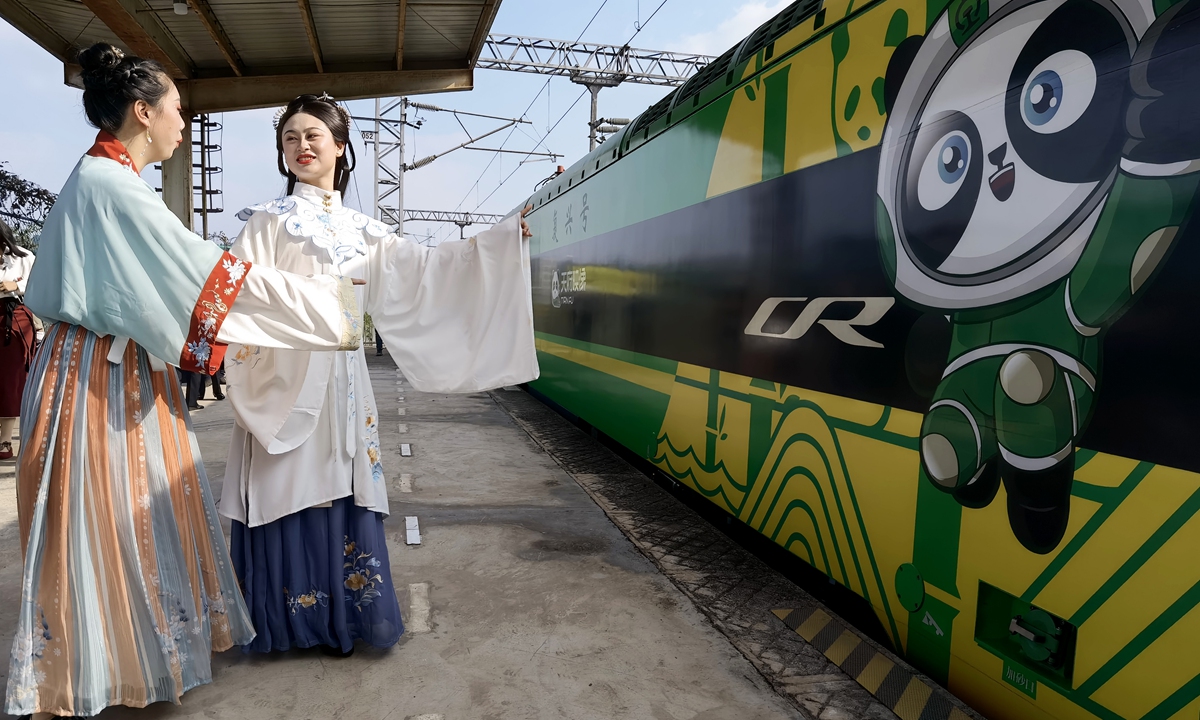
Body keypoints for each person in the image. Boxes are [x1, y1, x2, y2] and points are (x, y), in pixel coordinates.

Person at [6, 45, 365, 719]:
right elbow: (202, 274)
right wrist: (326, 308)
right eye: (177, 108)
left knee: (115, 521)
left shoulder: (103, 179)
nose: (182, 121)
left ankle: (124, 659)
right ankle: (96, 671)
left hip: (106, 368)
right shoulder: (111, 187)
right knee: (108, 520)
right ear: (144, 113)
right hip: (98, 380)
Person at [220, 93, 538, 657]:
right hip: (286, 379)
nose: (302, 146)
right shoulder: (266, 223)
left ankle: (343, 619)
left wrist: (498, 245)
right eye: (290, 137)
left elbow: (430, 270)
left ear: (340, 148)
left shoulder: (364, 230)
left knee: (340, 482)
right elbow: (239, 297)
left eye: (313, 135)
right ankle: (287, 624)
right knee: (287, 486)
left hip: (343, 378)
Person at [0, 218, 35, 461]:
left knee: (9, 378)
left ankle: (5, 441)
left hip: (13, 318)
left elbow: (37, 286)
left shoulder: (23, 256)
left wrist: (15, 285)